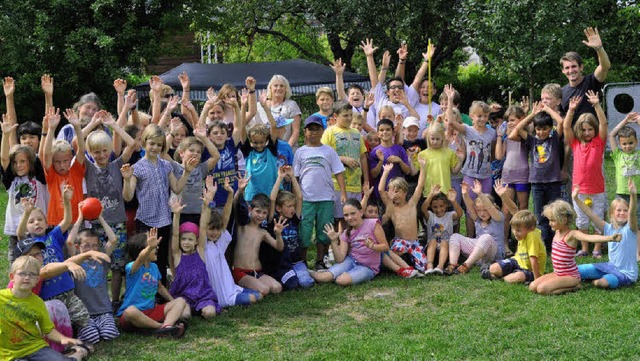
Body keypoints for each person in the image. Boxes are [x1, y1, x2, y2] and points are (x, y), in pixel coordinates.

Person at [121, 123, 195, 285]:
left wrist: (187, 172)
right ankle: (144, 291)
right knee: (147, 258)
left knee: (161, 258)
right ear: (144, 143)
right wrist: (127, 180)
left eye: (159, 145)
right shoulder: (137, 168)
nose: (155, 147)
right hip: (146, 221)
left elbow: (176, 187)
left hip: (164, 219)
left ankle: (161, 292)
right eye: (152, 143)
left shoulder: (166, 165)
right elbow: (128, 196)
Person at [17, 184, 92, 338]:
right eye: (32, 222)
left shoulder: (53, 236)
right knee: (54, 324)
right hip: (47, 295)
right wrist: (27, 213)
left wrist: (66, 200)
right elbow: (19, 233)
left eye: (40, 220)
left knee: (83, 318)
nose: (36, 223)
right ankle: (66, 337)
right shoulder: (29, 244)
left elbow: (67, 220)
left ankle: (79, 335)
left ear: (46, 223)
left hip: (67, 290)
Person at [84, 112, 136, 304]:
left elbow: (132, 144)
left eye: (105, 150)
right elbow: (76, 144)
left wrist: (113, 125)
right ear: (90, 152)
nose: (102, 155)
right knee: (98, 265)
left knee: (117, 266)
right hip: (96, 226)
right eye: (96, 152)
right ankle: (98, 301)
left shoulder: (117, 165)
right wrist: (92, 123)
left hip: (118, 224)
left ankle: (114, 301)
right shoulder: (88, 167)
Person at [1, 256, 91, 361]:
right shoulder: (1, 298)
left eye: (32, 274)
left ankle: (77, 354)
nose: (27, 277)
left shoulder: (38, 303)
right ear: (12, 277)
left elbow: (48, 330)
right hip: (8, 354)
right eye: (22, 273)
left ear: (37, 280)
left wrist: (63, 338)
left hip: (35, 348)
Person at [529, 199, 620, 295]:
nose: (549, 223)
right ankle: (565, 285)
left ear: (563, 220)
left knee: (542, 290)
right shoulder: (557, 232)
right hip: (558, 273)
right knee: (532, 287)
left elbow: (589, 238)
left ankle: (573, 287)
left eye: (552, 220)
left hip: (571, 276)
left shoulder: (572, 234)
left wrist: (610, 238)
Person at [511, 103, 565, 251]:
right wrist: (532, 114)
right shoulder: (532, 140)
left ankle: (557, 244)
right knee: (540, 216)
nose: (541, 132)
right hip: (537, 184)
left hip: (553, 182)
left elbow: (560, 122)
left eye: (544, 129)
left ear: (550, 129)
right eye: (538, 129)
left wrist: (548, 109)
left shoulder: (554, 139)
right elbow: (517, 129)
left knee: (555, 215)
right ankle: (544, 245)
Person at [294, 115, 346, 270]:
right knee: (304, 230)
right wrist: (297, 198)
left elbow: (338, 172)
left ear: (322, 131)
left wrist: (343, 193)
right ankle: (302, 261)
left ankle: (320, 260)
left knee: (325, 230)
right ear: (305, 132)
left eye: (317, 129)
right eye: (310, 129)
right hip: (306, 199)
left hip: (326, 197)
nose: (313, 133)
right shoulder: (300, 152)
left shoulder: (329, 151)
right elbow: (296, 176)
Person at [117, 228, 190, 337]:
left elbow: (160, 287)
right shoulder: (132, 267)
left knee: (180, 301)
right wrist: (150, 247)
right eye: (153, 247)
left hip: (151, 311)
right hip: (133, 316)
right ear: (143, 250)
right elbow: (141, 259)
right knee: (130, 311)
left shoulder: (154, 267)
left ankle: (167, 326)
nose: (157, 248)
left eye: (155, 246)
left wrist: (176, 305)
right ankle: (160, 327)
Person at [444, 85, 496, 238]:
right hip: (470, 175)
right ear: (472, 116)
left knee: (485, 207)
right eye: (479, 116)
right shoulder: (468, 130)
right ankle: (471, 238)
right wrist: (449, 99)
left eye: (485, 116)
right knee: (470, 208)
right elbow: (451, 122)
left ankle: (484, 237)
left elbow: (491, 153)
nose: (482, 119)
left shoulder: (492, 132)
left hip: (486, 175)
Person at [202, 177, 262, 307]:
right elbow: (203, 226)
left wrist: (230, 193)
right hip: (224, 298)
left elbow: (226, 217)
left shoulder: (219, 244)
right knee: (254, 298)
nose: (214, 232)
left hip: (232, 289)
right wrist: (207, 203)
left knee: (260, 293)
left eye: (217, 229)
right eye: (211, 229)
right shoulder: (203, 246)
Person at [564, 91, 607, 258]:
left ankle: (596, 248)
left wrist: (596, 105)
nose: (587, 132)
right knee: (581, 220)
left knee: (596, 219)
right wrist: (571, 110)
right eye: (584, 130)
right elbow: (566, 126)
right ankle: (584, 248)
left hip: (597, 189)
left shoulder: (599, 141)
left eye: (590, 129)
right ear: (579, 130)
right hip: (578, 190)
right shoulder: (575, 143)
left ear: (594, 130)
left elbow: (603, 124)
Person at [68, 207, 120, 344]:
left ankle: (99, 326)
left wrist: (101, 218)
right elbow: (69, 241)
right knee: (92, 338)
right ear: (78, 247)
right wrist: (80, 217)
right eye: (86, 246)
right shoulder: (76, 260)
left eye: (94, 246)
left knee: (110, 335)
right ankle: (86, 328)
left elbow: (113, 240)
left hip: (103, 310)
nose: (91, 250)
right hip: (84, 312)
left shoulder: (101, 258)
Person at [1, 114, 49, 263]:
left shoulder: (39, 177)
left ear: (31, 162)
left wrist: (47, 130)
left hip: (38, 230)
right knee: (16, 267)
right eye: (15, 162)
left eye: (23, 161)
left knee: (40, 268)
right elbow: (4, 159)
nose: (18, 165)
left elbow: (43, 154)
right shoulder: (11, 180)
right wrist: (6, 134)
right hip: (16, 232)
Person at [574, 179, 638, 289]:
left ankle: (596, 280)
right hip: (609, 266)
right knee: (576, 270)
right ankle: (600, 275)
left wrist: (633, 195)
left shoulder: (630, 229)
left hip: (626, 274)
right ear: (612, 214)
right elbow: (590, 213)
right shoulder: (608, 228)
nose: (622, 213)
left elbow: (632, 213)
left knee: (602, 283)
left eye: (625, 210)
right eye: (619, 210)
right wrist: (576, 198)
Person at [168, 190, 221, 319]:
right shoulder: (177, 254)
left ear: (196, 241)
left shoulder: (200, 251)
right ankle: (190, 311)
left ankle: (201, 309)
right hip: (183, 296)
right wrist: (176, 215)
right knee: (185, 315)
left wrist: (207, 206)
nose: (186, 242)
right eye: (183, 239)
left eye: (190, 239)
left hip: (203, 295)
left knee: (210, 313)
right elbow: (175, 234)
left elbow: (203, 227)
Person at [311, 199, 390, 286]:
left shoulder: (373, 224)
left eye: (353, 213)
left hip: (367, 267)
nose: (349, 218)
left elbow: (385, 246)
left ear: (361, 212)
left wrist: (373, 246)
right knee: (323, 278)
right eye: (346, 215)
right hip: (351, 261)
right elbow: (339, 259)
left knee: (341, 281)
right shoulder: (346, 233)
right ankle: (307, 272)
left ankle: (338, 274)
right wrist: (334, 241)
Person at [261, 165, 314, 289]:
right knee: (293, 284)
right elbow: (272, 199)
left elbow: (299, 197)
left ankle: (307, 273)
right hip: (281, 264)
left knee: (306, 283)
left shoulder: (294, 219)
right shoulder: (273, 220)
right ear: (279, 208)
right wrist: (280, 178)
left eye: (293, 206)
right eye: (288, 206)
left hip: (296, 261)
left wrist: (292, 176)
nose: (292, 209)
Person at [232, 174, 286, 296]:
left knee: (277, 287)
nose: (260, 216)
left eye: (264, 213)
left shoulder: (263, 232)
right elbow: (235, 205)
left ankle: (253, 286)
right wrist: (240, 190)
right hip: (240, 271)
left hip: (257, 271)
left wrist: (278, 234)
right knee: (264, 290)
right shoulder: (241, 226)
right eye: (257, 212)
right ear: (250, 209)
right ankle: (236, 288)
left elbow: (279, 247)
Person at [484, 182, 547, 283]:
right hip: (517, 261)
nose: (515, 233)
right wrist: (504, 196)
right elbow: (514, 210)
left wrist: (537, 279)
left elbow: (534, 259)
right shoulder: (524, 226)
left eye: (518, 230)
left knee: (512, 279)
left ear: (530, 228)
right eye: (513, 229)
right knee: (493, 268)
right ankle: (501, 272)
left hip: (530, 269)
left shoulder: (532, 236)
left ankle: (505, 276)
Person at [321, 101, 370, 225]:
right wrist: (343, 159)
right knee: (340, 219)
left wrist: (366, 180)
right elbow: (323, 154)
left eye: (350, 115)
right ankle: (338, 244)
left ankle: (353, 244)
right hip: (336, 185)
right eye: (345, 115)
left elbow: (363, 157)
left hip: (355, 184)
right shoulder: (330, 132)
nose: (349, 118)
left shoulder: (356, 133)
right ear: (336, 116)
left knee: (355, 219)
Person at [446, 180, 504, 275]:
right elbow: (470, 207)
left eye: (485, 210)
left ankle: (466, 266)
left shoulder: (498, 217)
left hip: (495, 255)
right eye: (479, 210)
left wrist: (480, 194)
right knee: (455, 236)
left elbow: (490, 207)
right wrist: (465, 194)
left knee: (486, 237)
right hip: (478, 255)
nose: (482, 213)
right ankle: (452, 265)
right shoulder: (478, 219)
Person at [379, 159, 427, 273]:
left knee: (423, 267)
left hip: (414, 242)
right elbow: (381, 190)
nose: (395, 194)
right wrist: (386, 172)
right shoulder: (391, 207)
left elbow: (420, 185)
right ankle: (404, 267)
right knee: (394, 254)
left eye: (398, 191)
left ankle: (413, 264)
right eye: (392, 191)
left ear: (405, 192)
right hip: (400, 241)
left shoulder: (412, 204)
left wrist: (423, 167)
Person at [43, 107, 86, 226]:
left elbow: (82, 150)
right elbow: (46, 154)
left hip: (76, 221)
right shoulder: (52, 175)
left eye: (65, 161)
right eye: (57, 161)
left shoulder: (76, 171)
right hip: (57, 222)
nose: (62, 165)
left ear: (71, 158)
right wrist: (51, 129)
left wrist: (77, 127)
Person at [496, 105, 530, 255]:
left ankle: (522, 241)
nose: (510, 123)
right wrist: (499, 137)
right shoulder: (505, 135)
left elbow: (528, 127)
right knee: (506, 209)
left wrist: (527, 114)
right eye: (508, 120)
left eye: (513, 120)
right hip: (508, 174)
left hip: (523, 174)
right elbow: (498, 156)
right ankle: (504, 242)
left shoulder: (524, 134)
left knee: (522, 208)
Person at [560, 27, 611, 123]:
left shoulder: (591, 81)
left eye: (574, 66)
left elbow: (605, 67)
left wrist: (599, 48)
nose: (571, 70)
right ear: (563, 70)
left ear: (581, 67)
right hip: (573, 136)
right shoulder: (561, 92)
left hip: (594, 135)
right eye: (567, 68)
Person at [608, 112, 640, 261]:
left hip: (637, 195)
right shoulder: (617, 155)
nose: (627, 146)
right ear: (620, 144)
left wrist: (638, 122)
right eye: (624, 144)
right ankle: (620, 248)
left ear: (636, 142)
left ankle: (637, 252)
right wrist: (626, 120)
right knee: (619, 222)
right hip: (621, 195)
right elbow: (611, 135)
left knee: (637, 224)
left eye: (631, 143)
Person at [170, 129, 220, 225]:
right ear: (181, 153)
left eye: (198, 152)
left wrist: (204, 138)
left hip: (197, 212)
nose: (195, 153)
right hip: (178, 212)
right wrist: (172, 132)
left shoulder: (201, 168)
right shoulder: (175, 166)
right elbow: (163, 154)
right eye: (191, 150)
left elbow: (216, 156)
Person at [422, 185, 463, 275]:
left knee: (444, 242)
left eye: (441, 206)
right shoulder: (430, 215)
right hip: (431, 245)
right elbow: (423, 208)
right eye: (435, 207)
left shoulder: (450, 215)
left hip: (446, 244)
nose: (438, 209)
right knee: (433, 241)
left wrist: (453, 201)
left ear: (446, 205)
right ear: (431, 206)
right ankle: (429, 266)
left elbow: (460, 214)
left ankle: (440, 266)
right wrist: (431, 195)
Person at [369, 118, 409, 201]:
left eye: (388, 130)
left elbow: (408, 171)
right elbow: (373, 174)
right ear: (378, 133)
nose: (385, 132)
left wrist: (400, 161)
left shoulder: (400, 149)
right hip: (382, 193)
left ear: (393, 132)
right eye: (381, 130)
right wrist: (380, 162)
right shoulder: (375, 152)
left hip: (399, 193)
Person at [260, 74, 302, 148]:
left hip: (287, 148)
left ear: (286, 89)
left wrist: (286, 148)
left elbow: (296, 131)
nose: (278, 88)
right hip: (266, 149)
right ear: (270, 88)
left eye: (282, 86)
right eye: (275, 85)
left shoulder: (292, 105)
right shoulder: (261, 105)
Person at [240, 123, 279, 202]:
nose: (259, 145)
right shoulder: (248, 152)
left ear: (266, 140)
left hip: (270, 194)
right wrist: (242, 110)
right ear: (251, 141)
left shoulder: (271, 150)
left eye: (261, 142)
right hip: (252, 195)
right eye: (255, 142)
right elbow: (242, 128)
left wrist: (266, 110)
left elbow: (274, 126)